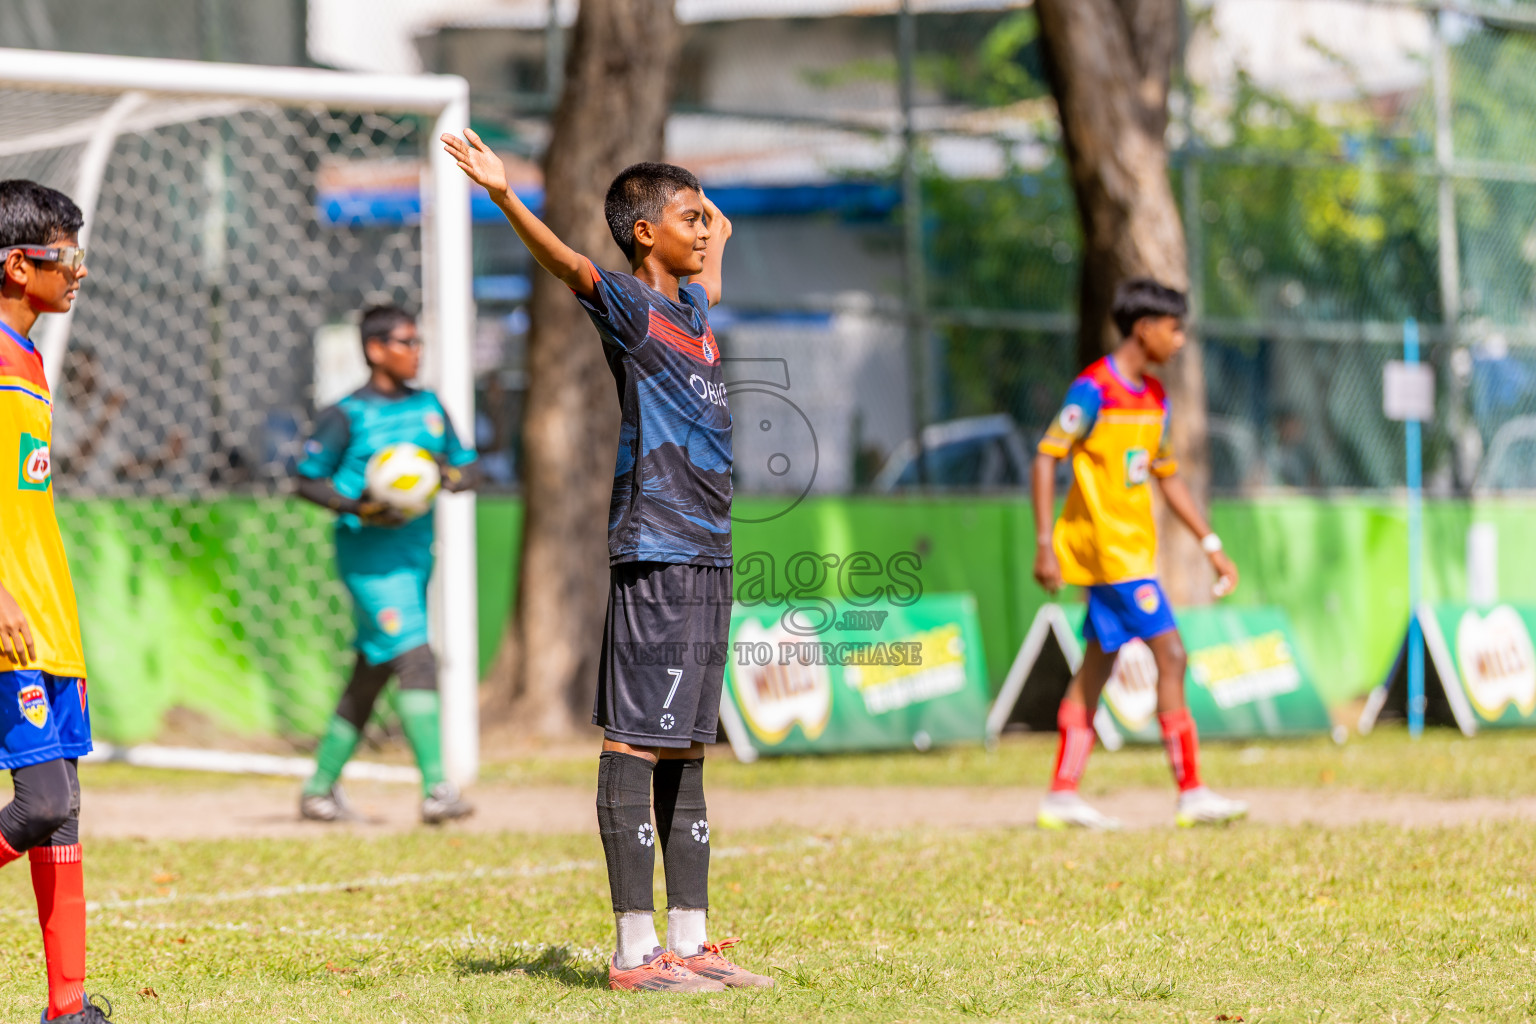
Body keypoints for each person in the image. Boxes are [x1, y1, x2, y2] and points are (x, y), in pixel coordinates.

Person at [442, 129, 771, 993]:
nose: (704, 230)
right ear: (641, 235)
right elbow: (567, 265)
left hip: (709, 551)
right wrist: (506, 195)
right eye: (686, 219)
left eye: (705, 219)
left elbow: (716, 238)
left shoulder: (696, 311)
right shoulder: (630, 304)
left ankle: (691, 940)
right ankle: (634, 951)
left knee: (689, 747)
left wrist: (709, 218)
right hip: (656, 548)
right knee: (634, 743)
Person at [1032, 278, 1249, 831]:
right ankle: (1191, 792)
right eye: (1175, 330)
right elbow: (1045, 457)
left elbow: (1168, 478)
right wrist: (1045, 545)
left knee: (1098, 666)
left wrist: (1212, 545)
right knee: (1171, 654)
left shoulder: (1155, 400)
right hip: (1107, 554)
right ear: (1145, 328)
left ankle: (1062, 792)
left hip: (1133, 553)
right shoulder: (1093, 389)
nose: (1179, 341)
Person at [293, 305, 479, 826]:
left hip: (416, 556)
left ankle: (317, 790)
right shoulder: (345, 414)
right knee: (416, 658)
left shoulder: (430, 406)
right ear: (375, 349)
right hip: (369, 559)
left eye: (418, 341)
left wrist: (449, 477)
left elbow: (467, 467)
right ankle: (438, 789)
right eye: (405, 342)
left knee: (372, 671)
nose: (416, 351)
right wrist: (359, 507)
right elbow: (306, 479)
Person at [0, 179, 113, 1022]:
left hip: (48, 623)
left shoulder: (30, 359)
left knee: (63, 810)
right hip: (11, 622)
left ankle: (66, 1007)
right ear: (16, 265)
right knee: (37, 805)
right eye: (63, 256)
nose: (78, 271)